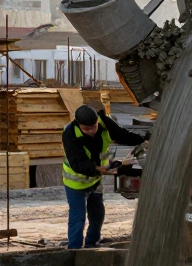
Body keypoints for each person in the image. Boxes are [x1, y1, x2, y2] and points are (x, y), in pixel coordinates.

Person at [61, 105, 146, 249]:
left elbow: (121, 135)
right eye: (87, 129)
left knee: (97, 215)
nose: (91, 131)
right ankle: (74, 249)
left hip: (96, 180)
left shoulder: (104, 122)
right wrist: (99, 169)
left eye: (93, 127)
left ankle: (92, 244)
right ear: (78, 125)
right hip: (75, 182)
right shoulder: (70, 134)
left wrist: (142, 140)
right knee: (78, 217)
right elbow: (77, 163)